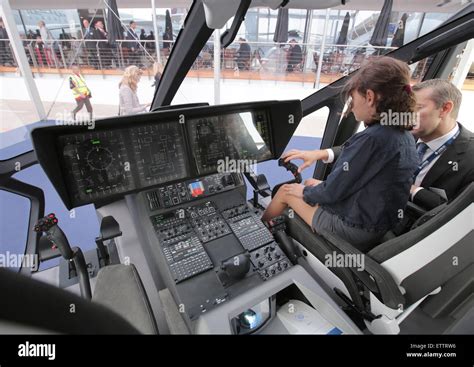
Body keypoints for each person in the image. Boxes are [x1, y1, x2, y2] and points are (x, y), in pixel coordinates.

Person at [262, 57, 419, 252]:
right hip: (376, 224)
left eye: (353, 99)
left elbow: (331, 192)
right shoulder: (402, 135)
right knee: (311, 183)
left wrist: (302, 192)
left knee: (286, 191)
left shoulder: (372, 139)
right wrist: (311, 187)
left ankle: (260, 238)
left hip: (353, 230)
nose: (351, 106)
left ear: (369, 97)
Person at [409, 79, 474, 209]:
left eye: (418, 108)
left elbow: (455, 212)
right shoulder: (399, 137)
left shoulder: (470, 157)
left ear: (445, 109)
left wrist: (413, 191)